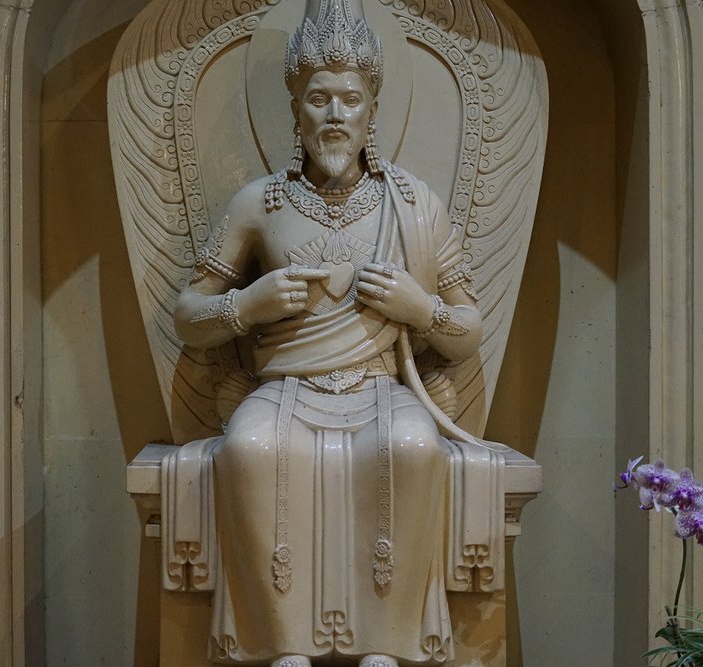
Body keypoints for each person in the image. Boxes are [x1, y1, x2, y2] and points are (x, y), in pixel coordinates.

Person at [173, 1, 481, 664]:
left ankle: (387, 645)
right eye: (318, 99)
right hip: (284, 388)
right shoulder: (259, 203)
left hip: (380, 386)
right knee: (249, 447)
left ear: (373, 109)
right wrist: (248, 305)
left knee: (411, 446)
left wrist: (419, 308)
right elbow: (188, 314)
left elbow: (467, 330)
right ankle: (281, 643)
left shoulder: (413, 204)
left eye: (350, 98)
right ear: (296, 110)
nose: (335, 114)